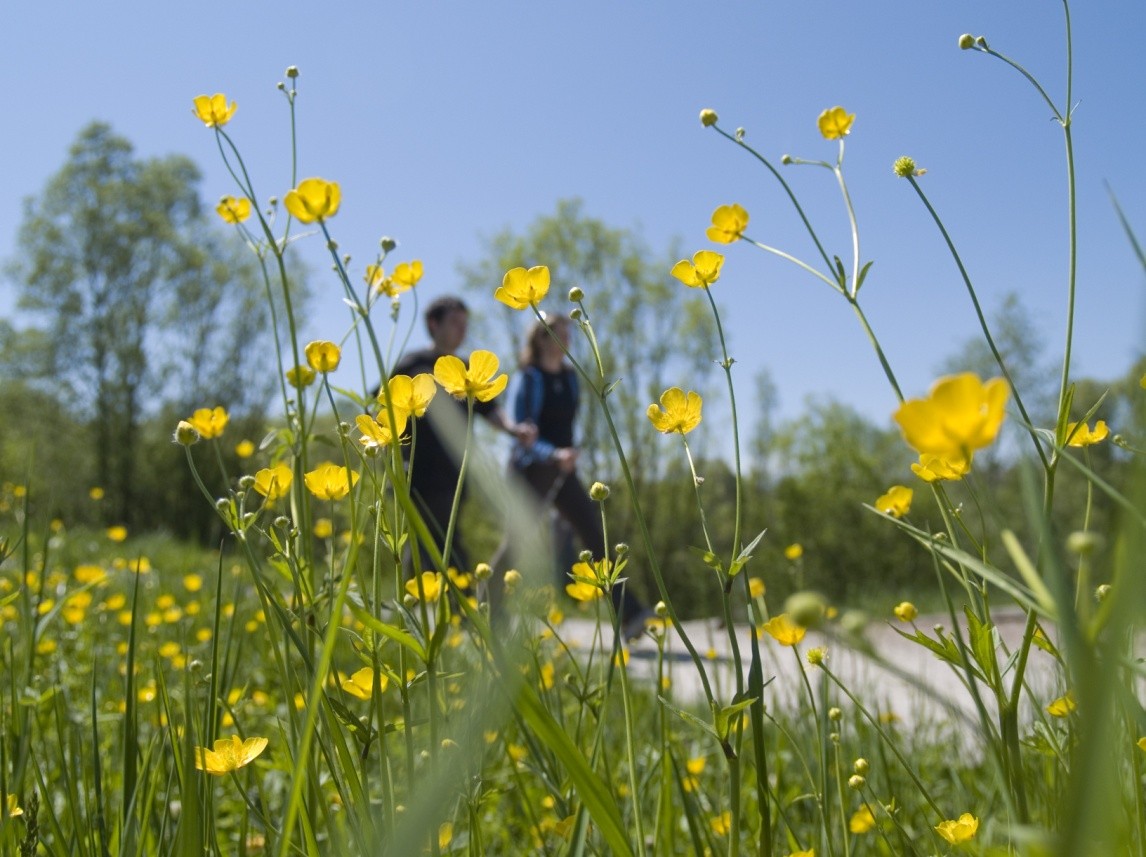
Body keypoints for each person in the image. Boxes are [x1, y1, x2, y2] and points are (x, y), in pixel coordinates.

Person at [497, 313, 649, 638]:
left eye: (568, 332)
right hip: (530, 470)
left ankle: (629, 614)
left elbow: (567, 426)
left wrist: (569, 454)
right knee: (517, 542)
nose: (566, 338)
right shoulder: (529, 377)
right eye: (559, 332)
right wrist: (552, 454)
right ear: (540, 338)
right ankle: (487, 609)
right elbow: (522, 431)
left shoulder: (570, 378)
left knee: (595, 534)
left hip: (565, 470)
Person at [390, 296, 535, 575]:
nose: (462, 330)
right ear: (434, 324)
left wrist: (513, 429)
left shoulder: (468, 370)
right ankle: (445, 605)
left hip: (455, 470)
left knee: (445, 537)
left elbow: (492, 410)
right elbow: (384, 405)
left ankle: (440, 606)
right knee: (428, 541)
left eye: (464, 324)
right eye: (455, 323)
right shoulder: (413, 364)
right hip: (416, 471)